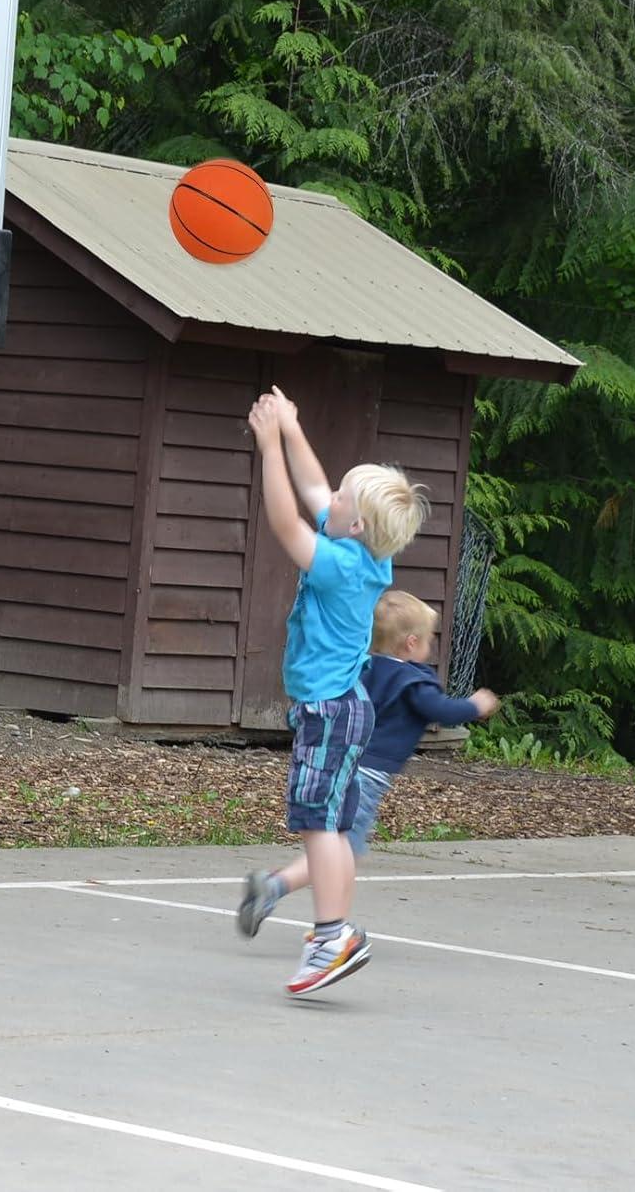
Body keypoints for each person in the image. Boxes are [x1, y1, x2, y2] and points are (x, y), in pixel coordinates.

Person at [241, 386, 428, 996]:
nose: (333, 498)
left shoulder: (342, 566)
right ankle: (333, 933)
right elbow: (317, 489)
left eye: (344, 497)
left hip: (328, 711)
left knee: (318, 825)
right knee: (337, 827)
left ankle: (332, 938)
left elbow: (285, 522)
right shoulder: (365, 550)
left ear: (358, 523)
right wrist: (293, 427)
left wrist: (270, 445)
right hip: (346, 710)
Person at [238, 589, 499, 937]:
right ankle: (286, 895)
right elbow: (440, 710)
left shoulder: (361, 669)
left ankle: (328, 921)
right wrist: (475, 706)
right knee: (344, 850)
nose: (431, 646)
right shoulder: (412, 681)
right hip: (369, 774)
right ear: (410, 643)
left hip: (342, 761)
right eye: (428, 639)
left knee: (339, 844)